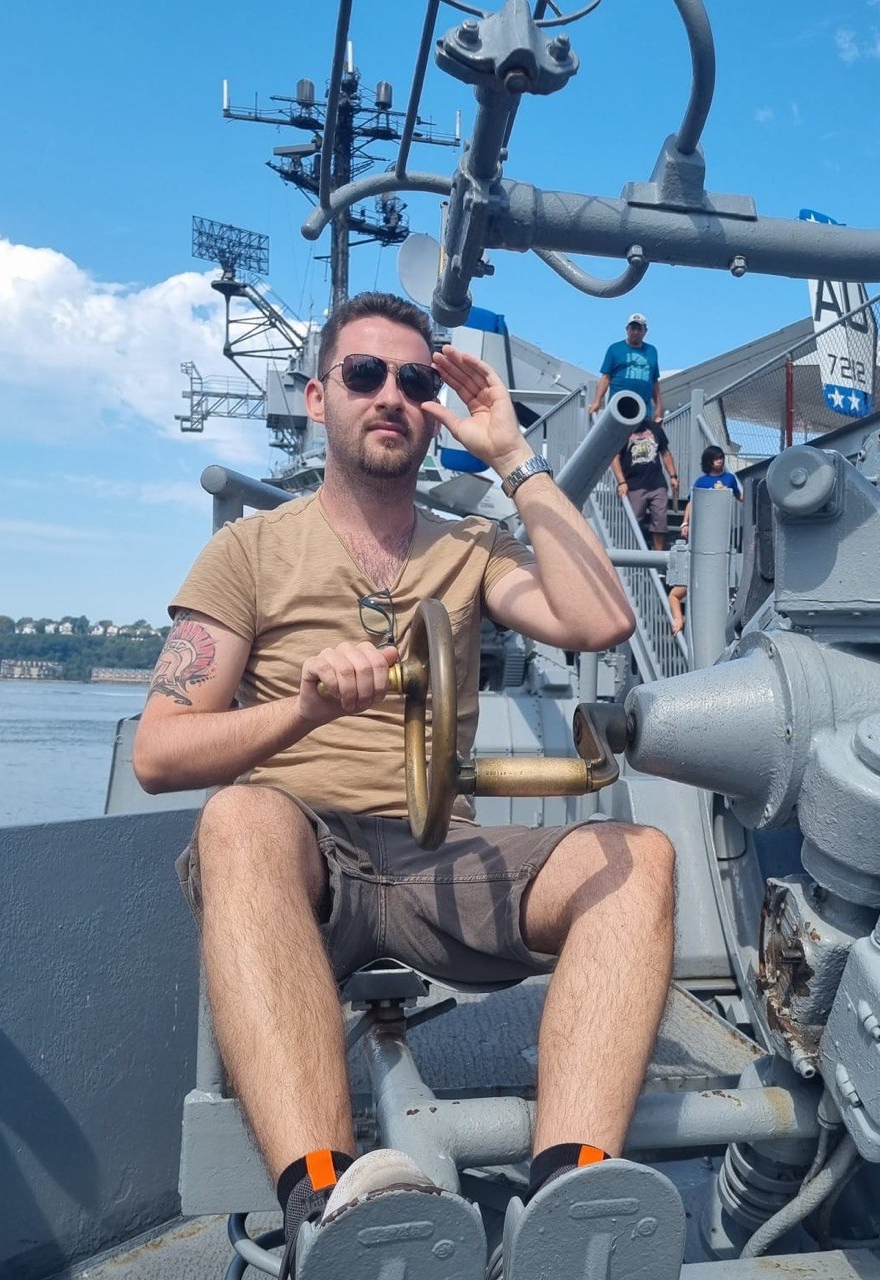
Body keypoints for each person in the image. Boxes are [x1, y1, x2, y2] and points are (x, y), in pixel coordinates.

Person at [132, 292, 675, 1263]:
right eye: (364, 374)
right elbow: (159, 752)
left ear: (435, 406)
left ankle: (567, 1198)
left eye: (415, 380)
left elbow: (599, 623)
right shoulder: (246, 552)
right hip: (305, 855)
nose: (392, 395)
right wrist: (302, 708)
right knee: (241, 819)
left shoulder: (472, 549)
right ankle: (325, 1206)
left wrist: (514, 458)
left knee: (638, 858)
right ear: (317, 396)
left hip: (440, 853)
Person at [589, 313, 679, 550]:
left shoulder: (651, 352)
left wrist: (659, 408)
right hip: (620, 410)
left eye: (639, 328)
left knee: (645, 445)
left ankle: (656, 557)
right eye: (632, 328)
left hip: (644, 413)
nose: (635, 331)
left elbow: (655, 383)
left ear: (645, 331)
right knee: (616, 450)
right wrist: (596, 401)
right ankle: (620, 481)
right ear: (626, 329)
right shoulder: (615, 349)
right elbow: (606, 377)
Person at [669, 447, 743, 636]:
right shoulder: (701, 482)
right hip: (703, 534)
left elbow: (740, 496)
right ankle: (682, 618)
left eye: (721, 458)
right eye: (716, 458)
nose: (719, 461)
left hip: (724, 534)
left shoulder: (729, 479)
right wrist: (685, 522)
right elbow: (692, 503)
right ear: (709, 461)